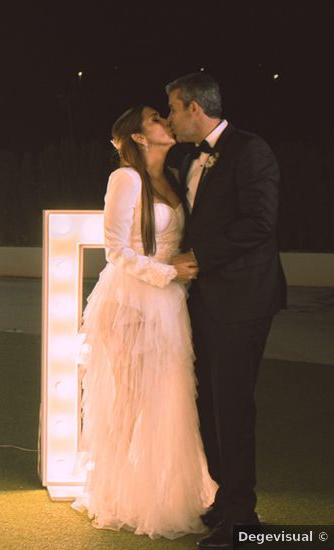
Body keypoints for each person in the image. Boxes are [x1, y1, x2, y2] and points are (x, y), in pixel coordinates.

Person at [72, 105, 217, 540]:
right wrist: (167, 272)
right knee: (130, 401)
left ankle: (162, 495)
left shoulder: (171, 177)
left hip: (169, 302)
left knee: (166, 401)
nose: (166, 123)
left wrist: (176, 279)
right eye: (157, 118)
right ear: (137, 136)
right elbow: (114, 248)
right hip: (132, 298)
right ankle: (119, 497)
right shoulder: (126, 178)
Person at [165, 72, 286, 549]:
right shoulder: (187, 160)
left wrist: (201, 258)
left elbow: (260, 222)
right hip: (206, 302)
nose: (171, 118)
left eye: (173, 108)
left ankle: (243, 520)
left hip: (244, 300)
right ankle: (224, 501)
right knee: (208, 406)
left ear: (195, 108)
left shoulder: (250, 150)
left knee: (232, 407)